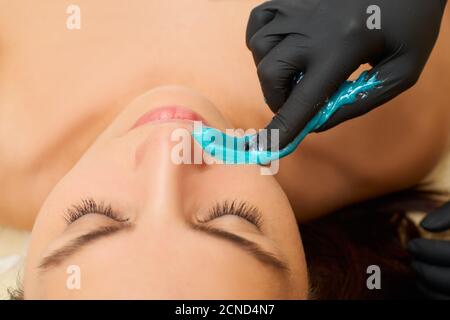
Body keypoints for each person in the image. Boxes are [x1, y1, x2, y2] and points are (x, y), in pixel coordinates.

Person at [0, 0, 449, 299]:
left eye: (93, 215)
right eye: (232, 217)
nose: (168, 153)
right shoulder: (393, 126)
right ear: (314, 281)